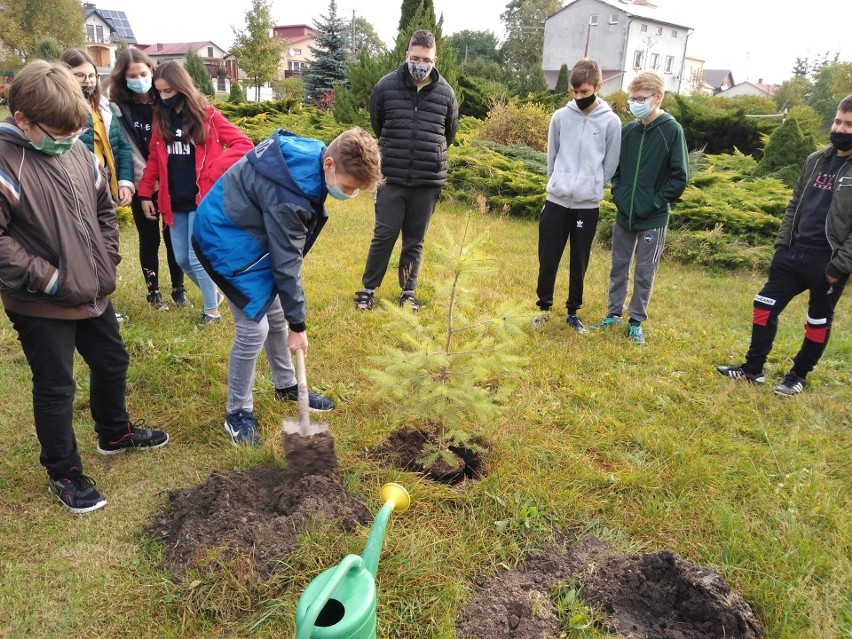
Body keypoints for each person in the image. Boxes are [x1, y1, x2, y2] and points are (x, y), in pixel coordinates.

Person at [0, 61, 169, 514]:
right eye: (57, 134)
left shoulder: (76, 148)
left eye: (72, 133)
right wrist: (51, 278)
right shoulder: (5, 161)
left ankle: (114, 433)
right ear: (22, 121)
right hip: (42, 302)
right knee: (56, 386)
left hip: (93, 290)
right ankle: (64, 472)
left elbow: (104, 207)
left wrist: (106, 256)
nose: (66, 142)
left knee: (112, 361)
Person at [193, 127, 383, 445]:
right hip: (223, 237)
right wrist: (300, 325)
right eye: (348, 187)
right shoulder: (291, 198)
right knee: (253, 328)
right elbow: (286, 265)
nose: (349, 195)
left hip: (248, 227)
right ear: (329, 164)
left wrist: (290, 318)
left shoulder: (313, 155)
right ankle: (237, 413)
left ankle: (287, 386)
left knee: (276, 311)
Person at [717, 95, 852, 395]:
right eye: (838, 121)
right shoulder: (815, 159)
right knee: (763, 305)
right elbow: (794, 204)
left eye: (848, 125)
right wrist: (782, 246)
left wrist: (839, 266)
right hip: (793, 253)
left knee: (817, 320)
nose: (840, 129)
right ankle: (752, 370)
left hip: (828, 261)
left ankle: (798, 376)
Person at [137, 61, 253, 324]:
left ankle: (211, 312)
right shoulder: (162, 119)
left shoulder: (208, 116)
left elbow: (243, 144)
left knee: (196, 257)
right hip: (173, 201)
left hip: (202, 201)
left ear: (182, 87)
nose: (165, 97)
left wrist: (213, 168)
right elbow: (154, 161)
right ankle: (215, 295)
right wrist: (145, 193)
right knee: (182, 259)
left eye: (169, 91)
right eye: (161, 92)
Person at [354, 29, 458, 312]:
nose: (420, 63)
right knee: (384, 234)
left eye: (426, 59)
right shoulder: (385, 87)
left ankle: (407, 291)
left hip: (427, 181)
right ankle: (367, 289)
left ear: (435, 59)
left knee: (414, 239)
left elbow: (448, 134)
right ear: (406, 55)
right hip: (391, 177)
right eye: (415, 57)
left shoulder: (446, 94)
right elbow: (378, 123)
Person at [590, 70, 689, 344]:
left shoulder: (671, 130)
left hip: (653, 219)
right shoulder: (629, 130)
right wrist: (619, 193)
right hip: (625, 215)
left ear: (657, 98)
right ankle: (613, 313)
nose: (635, 102)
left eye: (641, 98)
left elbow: (680, 176)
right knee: (618, 266)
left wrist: (655, 201)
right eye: (632, 97)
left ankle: (636, 321)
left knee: (645, 271)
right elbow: (617, 168)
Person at [532, 58, 621, 333]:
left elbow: (610, 163)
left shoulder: (611, 122)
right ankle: (544, 308)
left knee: (579, 260)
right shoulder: (560, 117)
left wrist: (594, 187)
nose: (579, 97)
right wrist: (556, 182)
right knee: (548, 256)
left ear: (598, 86)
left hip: (587, 205)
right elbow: (552, 155)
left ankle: (573, 312)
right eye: (575, 92)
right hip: (557, 200)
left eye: (584, 92)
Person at [107, 47, 187, 311]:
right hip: (143, 182)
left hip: (171, 181)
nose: (140, 79)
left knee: (173, 237)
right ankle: (153, 292)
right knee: (149, 238)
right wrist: (145, 188)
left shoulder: (163, 100)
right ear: (123, 77)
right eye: (133, 75)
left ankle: (179, 289)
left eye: (144, 73)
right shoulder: (118, 108)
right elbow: (125, 150)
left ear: (151, 72)